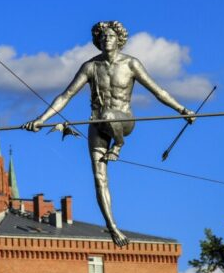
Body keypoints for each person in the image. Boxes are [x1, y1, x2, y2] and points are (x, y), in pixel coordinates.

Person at [23, 21, 195, 246]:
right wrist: (41, 119)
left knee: (108, 114)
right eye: (102, 37)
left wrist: (182, 110)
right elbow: (66, 95)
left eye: (111, 36)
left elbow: (158, 91)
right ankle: (113, 226)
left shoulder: (131, 64)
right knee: (99, 178)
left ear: (119, 39)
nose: (106, 40)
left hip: (123, 121)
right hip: (99, 124)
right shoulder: (90, 67)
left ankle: (118, 146)